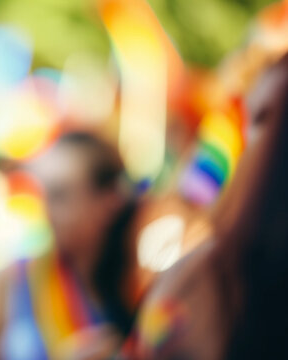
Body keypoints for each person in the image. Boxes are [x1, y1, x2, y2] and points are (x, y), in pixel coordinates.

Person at [122, 53, 288, 359]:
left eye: (265, 120)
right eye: (251, 123)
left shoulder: (208, 275)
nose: (255, 141)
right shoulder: (204, 268)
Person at [0, 133, 142, 359]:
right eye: (45, 195)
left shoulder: (134, 284)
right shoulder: (10, 280)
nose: (48, 211)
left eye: (61, 196)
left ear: (110, 201)